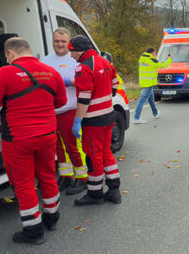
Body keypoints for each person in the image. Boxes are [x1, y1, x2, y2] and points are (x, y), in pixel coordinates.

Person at [0, 37, 67, 244]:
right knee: (47, 175)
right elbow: (61, 101)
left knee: (24, 183)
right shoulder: (51, 72)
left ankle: (33, 231)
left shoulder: (5, 73)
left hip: (17, 139)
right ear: (29, 50)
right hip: (47, 135)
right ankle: (52, 218)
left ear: (10, 53)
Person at [68, 35, 122, 205]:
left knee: (93, 157)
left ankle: (94, 193)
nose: (71, 55)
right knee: (106, 153)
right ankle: (114, 190)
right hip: (108, 115)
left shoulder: (83, 68)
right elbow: (114, 85)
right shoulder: (105, 62)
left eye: (72, 51)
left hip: (93, 120)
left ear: (80, 50)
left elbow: (84, 98)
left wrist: (78, 120)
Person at [41, 27, 88, 195]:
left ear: (68, 43)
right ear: (52, 42)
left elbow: (86, 81)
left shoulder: (75, 59)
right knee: (58, 148)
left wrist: (69, 82)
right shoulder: (46, 61)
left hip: (70, 109)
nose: (60, 44)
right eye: (56, 41)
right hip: (51, 111)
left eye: (63, 41)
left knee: (73, 146)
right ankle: (66, 175)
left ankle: (82, 177)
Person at [133, 47, 172, 124]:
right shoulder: (151, 60)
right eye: (155, 53)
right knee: (142, 100)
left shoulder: (143, 59)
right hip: (148, 83)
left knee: (151, 99)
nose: (156, 55)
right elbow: (163, 65)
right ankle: (136, 118)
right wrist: (170, 59)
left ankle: (155, 113)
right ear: (152, 53)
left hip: (145, 82)